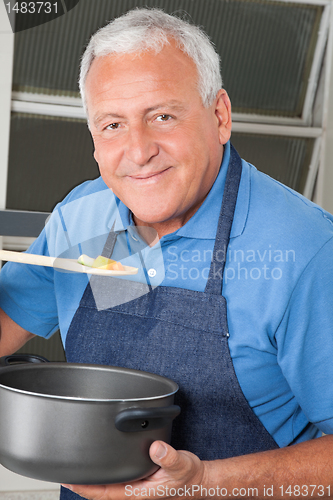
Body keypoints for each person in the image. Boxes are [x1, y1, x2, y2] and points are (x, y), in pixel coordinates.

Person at [1, 7, 333, 500]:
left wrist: (204, 484)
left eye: (162, 116)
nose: (139, 151)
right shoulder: (88, 222)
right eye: (112, 124)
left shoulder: (303, 252)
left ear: (219, 116)